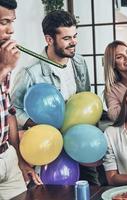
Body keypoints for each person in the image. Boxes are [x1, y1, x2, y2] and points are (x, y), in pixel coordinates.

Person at [10, 10, 99, 186]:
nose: (73, 42)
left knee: (93, 189)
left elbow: (84, 101)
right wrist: (36, 124)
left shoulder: (79, 62)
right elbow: (13, 109)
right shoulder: (30, 72)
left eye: (75, 36)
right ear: (49, 39)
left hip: (79, 142)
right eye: (67, 39)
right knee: (53, 193)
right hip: (48, 145)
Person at [0, 0, 42, 199]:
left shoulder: (3, 57)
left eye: (12, 22)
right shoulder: (5, 64)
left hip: (6, 155)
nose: (10, 30)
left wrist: (19, 159)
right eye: (3, 22)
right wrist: (5, 68)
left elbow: (9, 113)